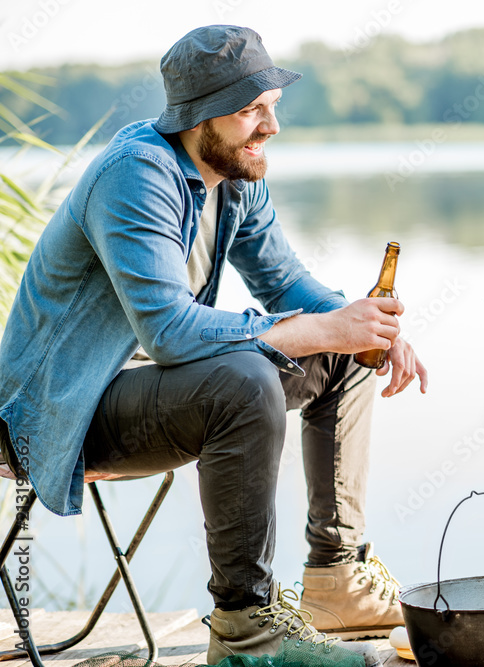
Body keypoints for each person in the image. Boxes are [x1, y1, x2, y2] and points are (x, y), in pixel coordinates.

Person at [0, 25, 429, 667]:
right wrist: (320, 327)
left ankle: (336, 579)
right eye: (251, 111)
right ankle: (246, 633)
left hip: (154, 392)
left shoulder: (238, 172)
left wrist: (364, 325)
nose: (270, 127)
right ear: (198, 118)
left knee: (346, 351)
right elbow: (169, 332)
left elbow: (286, 283)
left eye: (272, 107)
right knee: (243, 380)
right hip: (60, 415)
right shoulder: (136, 175)